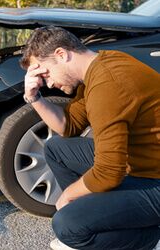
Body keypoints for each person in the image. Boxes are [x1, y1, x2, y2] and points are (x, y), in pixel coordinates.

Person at [20, 26, 160, 250]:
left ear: (61, 54)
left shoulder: (108, 85)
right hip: (139, 164)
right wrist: (33, 96)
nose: (48, 84)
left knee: (67, 225)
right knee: (57, 148)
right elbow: (68, 127)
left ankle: (152, 239)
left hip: (155, 181)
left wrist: (67, 195)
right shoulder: (100, 66)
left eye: (45, 74)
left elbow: (108, 173)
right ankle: (101, 218)